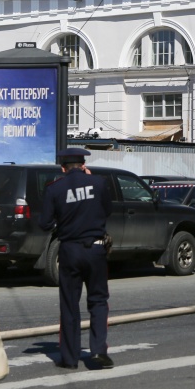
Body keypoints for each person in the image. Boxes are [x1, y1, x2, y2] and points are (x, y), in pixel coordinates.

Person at [38, 148, 114, 370]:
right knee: (98, 301)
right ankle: (99, 351)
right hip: (96, 250)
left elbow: (44, 224)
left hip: (69, 251)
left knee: (69, 305)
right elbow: (107, 210)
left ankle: (70, 359)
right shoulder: (99, 184)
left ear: (63, 168)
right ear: (83, 165)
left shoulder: (54, 189)